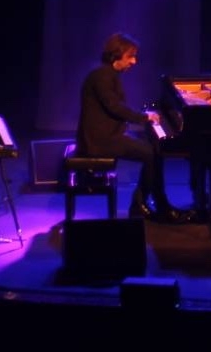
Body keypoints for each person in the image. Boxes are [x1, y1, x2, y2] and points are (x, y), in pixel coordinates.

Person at [78, 32, 189, 221]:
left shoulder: (107, 74)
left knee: (154, 149)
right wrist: (143, 118)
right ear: (116, 55)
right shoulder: (102, 76)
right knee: (150, 153)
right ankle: (146, 204)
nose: (134, 61)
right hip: (99, 141)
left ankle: (153, 203)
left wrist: (141, 118)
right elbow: (114, 107)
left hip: (107, 136)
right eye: (130, 56)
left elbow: (114, 107)